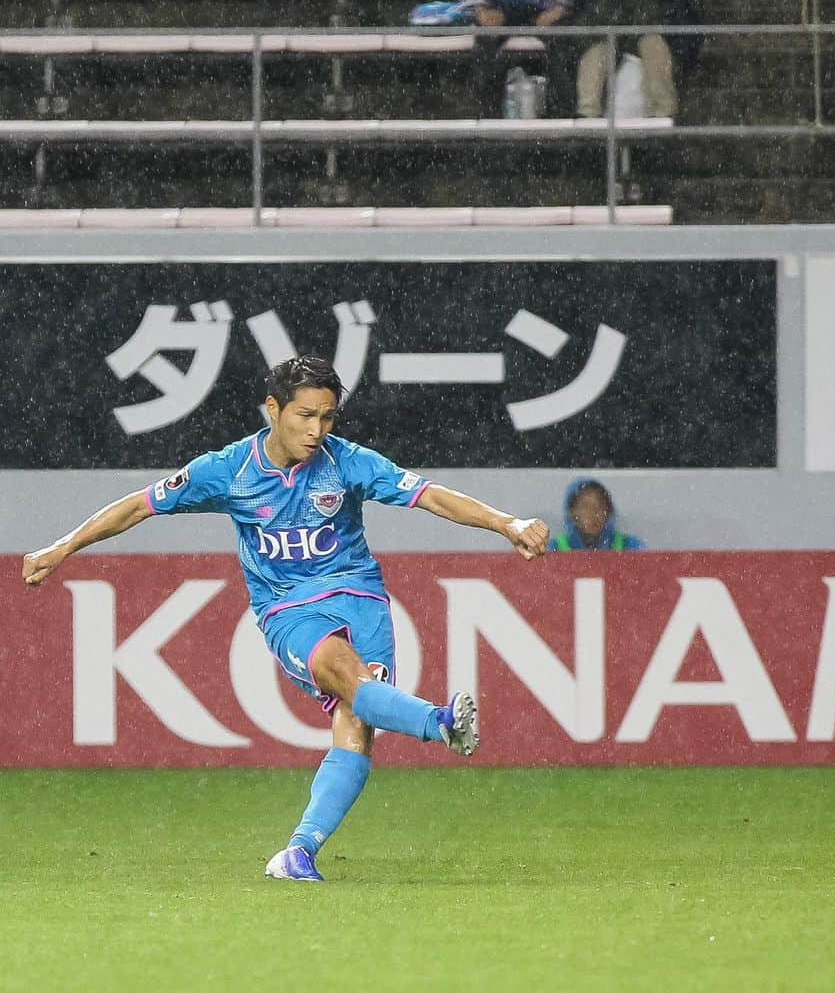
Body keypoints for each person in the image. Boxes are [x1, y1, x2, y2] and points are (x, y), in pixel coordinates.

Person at [21, 355, 550, 882]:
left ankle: (299, 852)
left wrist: (507, 523)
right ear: (273, 409)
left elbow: (430, 495)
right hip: (288, 606)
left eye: (327, 417)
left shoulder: (347, 463)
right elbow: (137, 507)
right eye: (304, 416)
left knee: (358, 726)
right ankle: (439, 723)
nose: (317, 430)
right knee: (343, 671)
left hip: (360, 597)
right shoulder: (229, 470)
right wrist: (63, 547)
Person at [549, 477, 644, 551]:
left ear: (608, 512)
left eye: (600, 506)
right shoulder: (555, 548)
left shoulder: (629, 546)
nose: (594, 514)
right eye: (585, 507)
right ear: (572, 512)